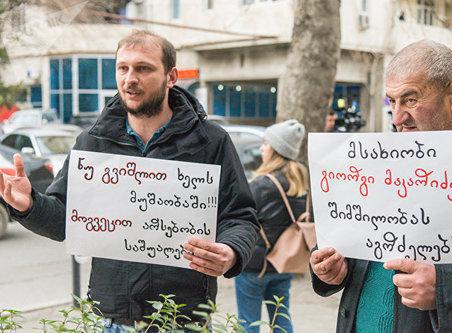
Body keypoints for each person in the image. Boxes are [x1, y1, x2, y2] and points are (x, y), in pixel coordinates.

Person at [0, 30, 259, 331]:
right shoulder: (92, 142)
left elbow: (241, 216)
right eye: (123, 68)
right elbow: (64, 219)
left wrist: (231, 251)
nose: (130, 78)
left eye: (143, 68)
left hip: (184, 320)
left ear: (171, 76)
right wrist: (29, 205)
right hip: (112, 320)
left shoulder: (211, 141)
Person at [310, 40, 452, 332]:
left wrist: (447, 290)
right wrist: (336, 267)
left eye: (410, 100)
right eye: (392, 102)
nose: (397, 119)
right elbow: (359, 237)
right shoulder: (382, 155)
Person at [235, 119, 308, 333]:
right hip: (284, 263)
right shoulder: (300, 182)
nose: (261, 148)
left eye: (266, 144)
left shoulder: (261, 185)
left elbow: (241, 218)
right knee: (281, 320)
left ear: (276, 150)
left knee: (248, 324)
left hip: (254, 267)